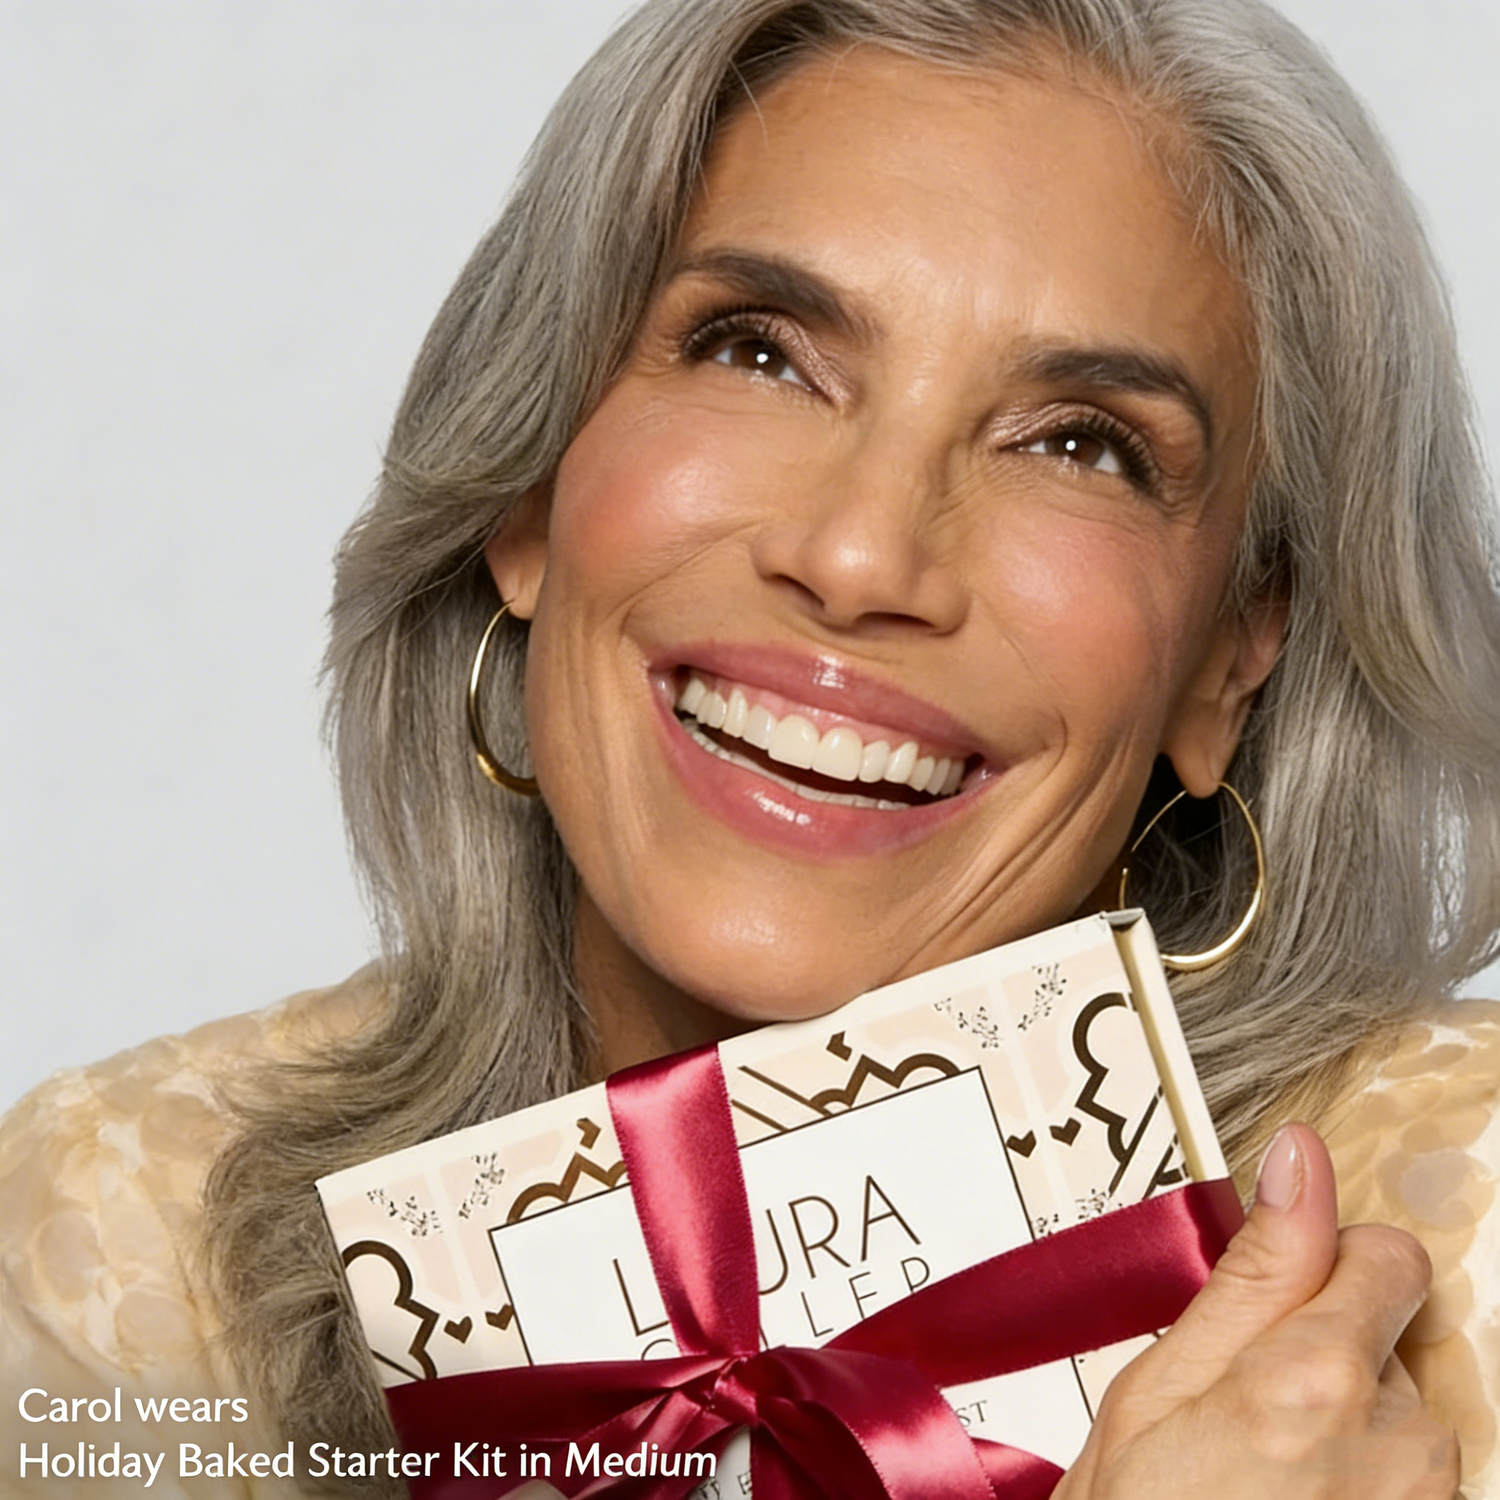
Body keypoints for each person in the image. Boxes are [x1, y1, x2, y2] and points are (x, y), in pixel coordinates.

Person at [3, 0, 1498, 1496]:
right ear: (529, 489)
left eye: (1078, 442)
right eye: (760, 353)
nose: (859, 557)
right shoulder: (127, 1249)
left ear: (1232, 658)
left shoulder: (1463, 1247)